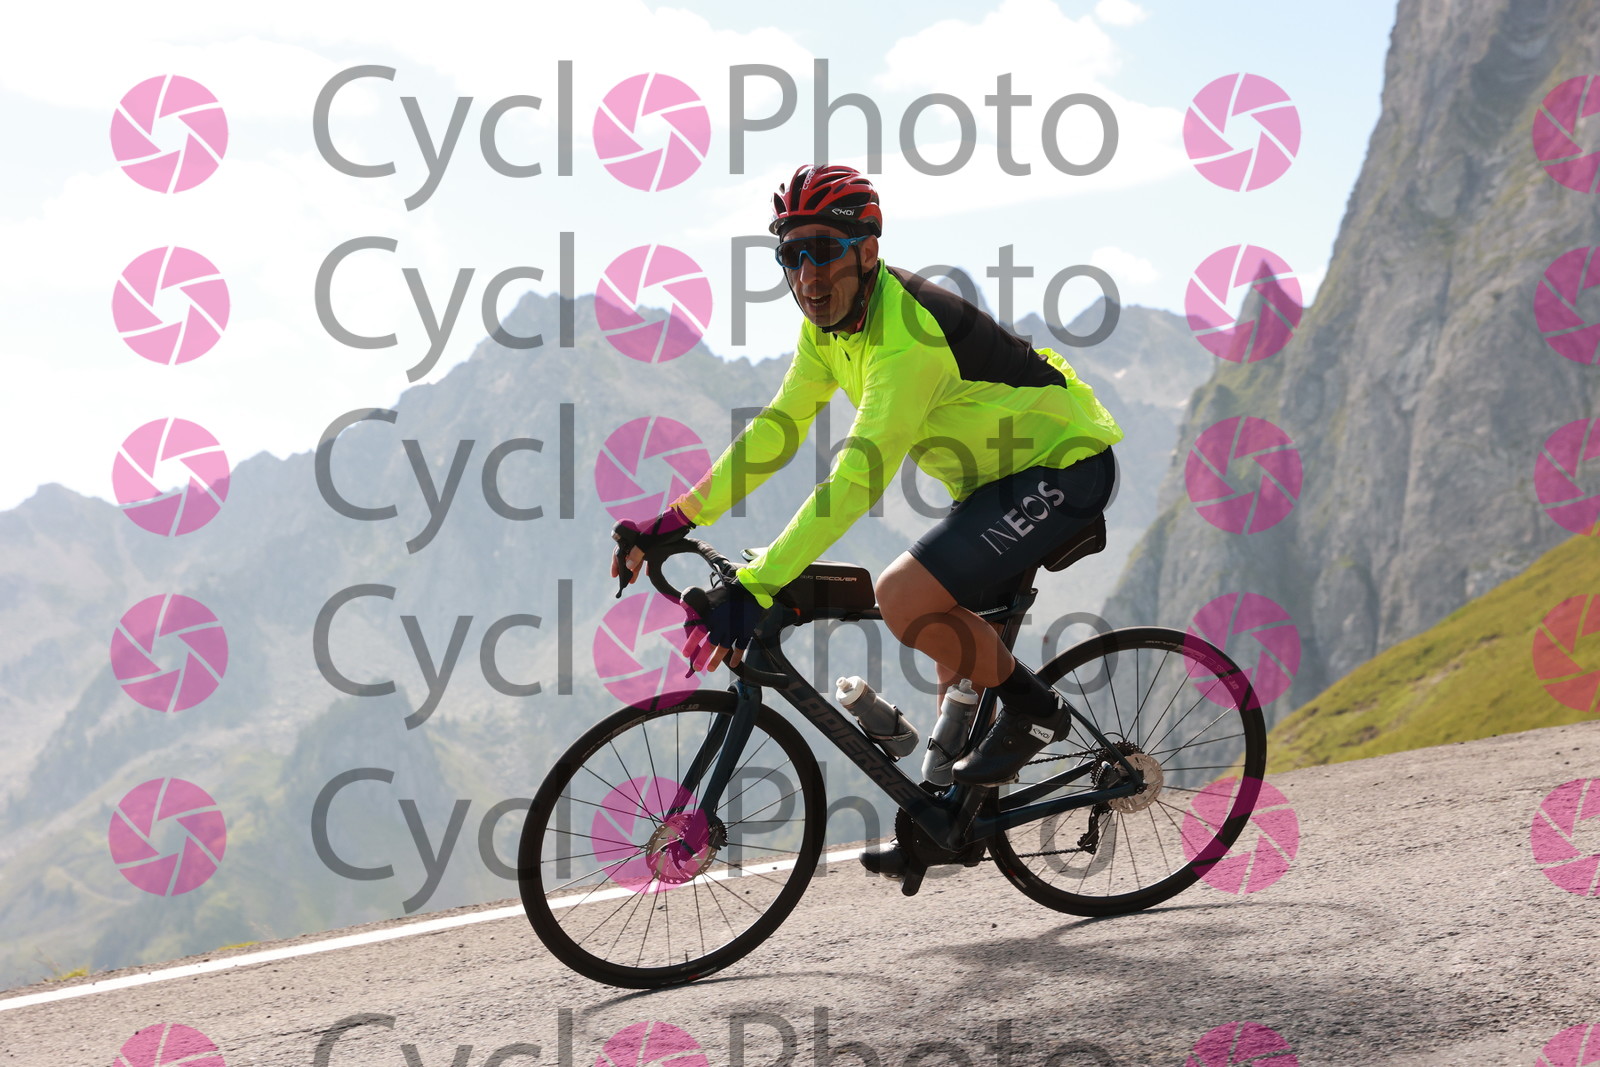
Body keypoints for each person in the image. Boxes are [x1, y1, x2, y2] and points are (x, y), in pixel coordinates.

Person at [612, 163, 1122, 872]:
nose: (806, 275)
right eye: (791, 254)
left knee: (904, 597)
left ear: (867, 251)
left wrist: (759, 583)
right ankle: (949, 824)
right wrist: (675, 518)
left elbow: (856, 477)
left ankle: (1038, 714)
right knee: (954, 644)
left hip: (1064, 467)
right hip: (991, 482)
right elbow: (778, 430)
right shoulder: (826, 329)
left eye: (822, 251)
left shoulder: (906, 337)